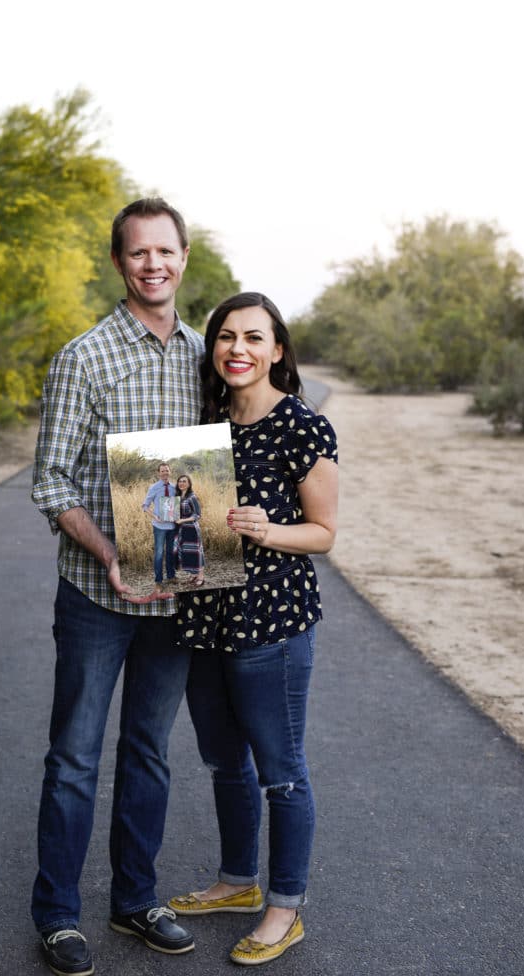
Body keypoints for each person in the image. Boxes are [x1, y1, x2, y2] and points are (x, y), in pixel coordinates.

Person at [31, 197, 204, 976]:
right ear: (119, 262)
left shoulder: (208, 355)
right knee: (73, 756)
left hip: (177, 599)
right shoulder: (84, 357)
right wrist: (110, 552)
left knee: (150, 755)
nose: (153, 265)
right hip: (98, 597)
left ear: (184, 257)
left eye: (165, 251)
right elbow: (50, 483)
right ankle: (59, 917)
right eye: (138, 253)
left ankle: (136, 900)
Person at [169, 292, 339, 966]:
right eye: (225, 337)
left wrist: (269, 529)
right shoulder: (204, 427)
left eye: (253, 337)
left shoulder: (303, 426)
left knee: (282, 773)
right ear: (214, 349)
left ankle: (285, 908)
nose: (237, 348)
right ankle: (237, 883)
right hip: (205, 616)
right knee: (222, 762)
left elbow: (324, 533)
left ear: (276, 351)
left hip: (273, 624)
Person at [142, 462, 178, 584]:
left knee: (170, 552)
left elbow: (176, 505)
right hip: (159, 526)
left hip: (172, 526)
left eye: (167, 470)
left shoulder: (174, 488)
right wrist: (155, 517)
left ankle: (171, 576)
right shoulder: (154, 487)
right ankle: (158, 580)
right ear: (159, 473)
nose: (165, 473)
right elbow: (145, 506)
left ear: (170, 471)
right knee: (159, 553)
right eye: (162, 471)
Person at [173, 474, 205, 587]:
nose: (181, 483)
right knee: (187, 552)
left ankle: (201, 576)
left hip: (192, 529)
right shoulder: (178, 497)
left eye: (184, 481)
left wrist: (183, 520)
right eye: (179, 481)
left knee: (196, 552)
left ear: (189, 484)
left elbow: (197, 515)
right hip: (182, 530)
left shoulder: (192, 497)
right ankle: (193, 575)